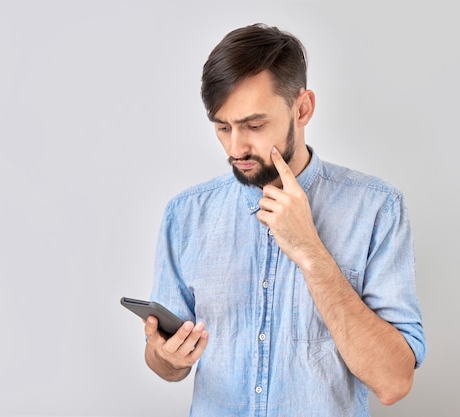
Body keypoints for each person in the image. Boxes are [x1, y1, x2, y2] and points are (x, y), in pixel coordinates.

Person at [142, 23, 426, 417]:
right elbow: (164, 366)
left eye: (255, 126)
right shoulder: (186, 215)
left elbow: (394, 382)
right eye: (222, 127)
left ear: (303, 108)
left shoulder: (377, 209)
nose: (236, 146)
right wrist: (167, 357)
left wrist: (311, 251)